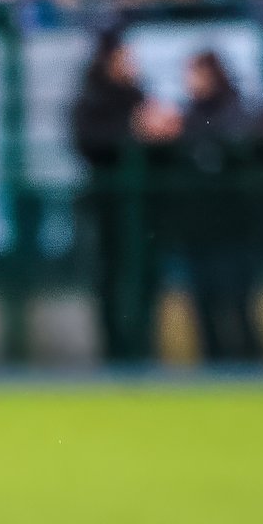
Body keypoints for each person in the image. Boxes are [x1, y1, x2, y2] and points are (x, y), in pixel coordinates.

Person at [70, 31, 176, 363]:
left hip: (146, 208)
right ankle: (116, 351)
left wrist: (163, 132)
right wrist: (134, 130)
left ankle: (144, 347)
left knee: (147, 278)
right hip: (108, 207)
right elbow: (88, 142)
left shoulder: (142, 95)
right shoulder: (93, 98)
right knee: (110, 279)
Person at [168, 50, 260, 363]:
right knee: (204, 304)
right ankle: (213, 366)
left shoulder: (234, 112)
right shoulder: (188, 115)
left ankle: (248, 366)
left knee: (235, 301)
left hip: (233, 227)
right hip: (197, 228)